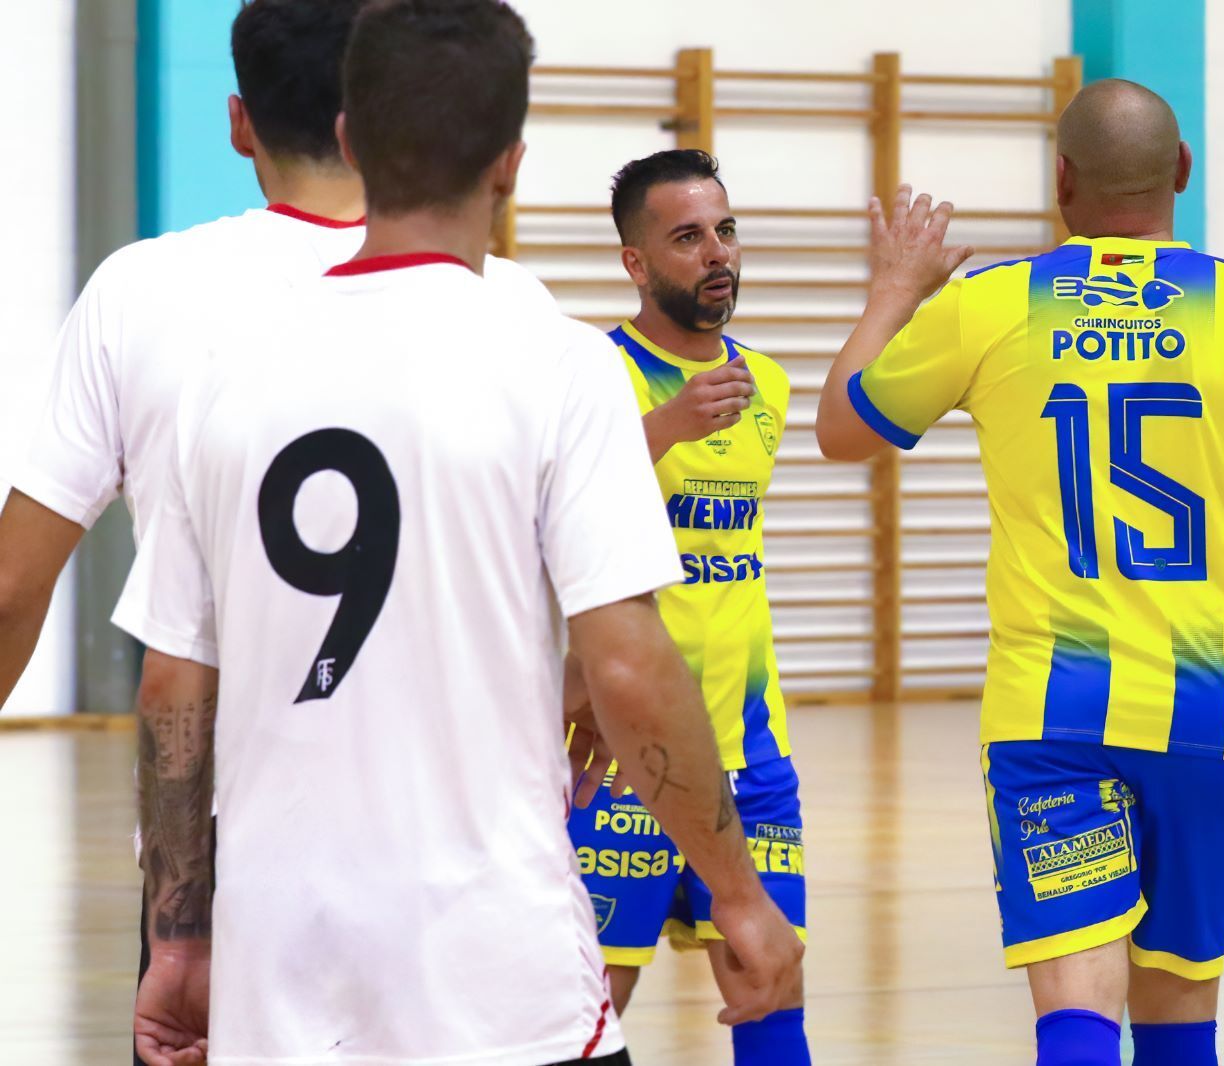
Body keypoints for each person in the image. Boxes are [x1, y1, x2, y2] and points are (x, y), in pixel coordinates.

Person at [111, 3, 801, 1065]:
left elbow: (173, 687)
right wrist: (736, 891)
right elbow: (626, 662)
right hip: (499, 979)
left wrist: (180, 929)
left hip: (279, 984)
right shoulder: (558, 364)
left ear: (349, 139)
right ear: (511, 162)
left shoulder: (222, 375)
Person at [814, 79, 1224, 1066]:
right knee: (1177, 1002)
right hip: (1208, 714)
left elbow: (841, 430)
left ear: (1059, 177)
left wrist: (896, 290)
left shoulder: (992, 305)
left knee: (1074, 997)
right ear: (1182, 172)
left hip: (1049, 715)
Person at [0, 0, 556, 714]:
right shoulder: (512, 303)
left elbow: (13, 586)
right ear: (379, 120)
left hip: (222, 795)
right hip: (452, 798)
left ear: (239, 124)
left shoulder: (137, 288)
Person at [564, 148, 811, 1066]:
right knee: (584, 1012)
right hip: (618, 752)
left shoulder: (769, 386)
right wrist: (666, 429)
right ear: (635, 263)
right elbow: (543, 524)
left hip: (751, 753)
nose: (717, 254)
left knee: (770, 987)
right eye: (686, 238)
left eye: (725, 230)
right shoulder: (588, 375)